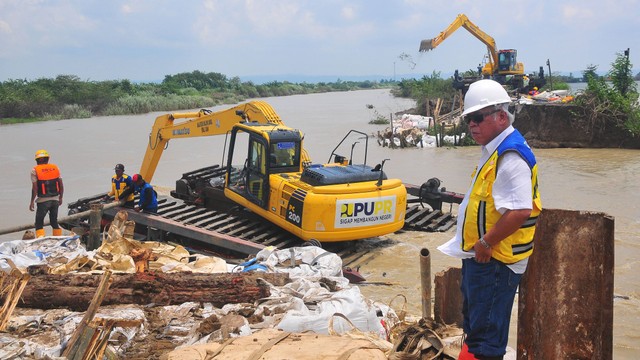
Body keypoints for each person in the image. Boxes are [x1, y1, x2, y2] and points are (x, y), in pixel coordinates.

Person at [437, 79, 542, 360]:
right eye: (468, 119)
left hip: (495, 259)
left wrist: (485, 242)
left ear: (500, 116)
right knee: (475, 327)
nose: (471, 124)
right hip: (481, 257)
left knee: (487, 340)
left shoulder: (510, 156)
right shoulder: (494, 150)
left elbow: (520, 211)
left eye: (477, 118)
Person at [29, 149, 64, 238]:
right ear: (47, 159)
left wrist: (32, 201)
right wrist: (60, 197)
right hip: (55, 199)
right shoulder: (55, 168)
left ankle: (41, 240)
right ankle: (58, 239)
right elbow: (61, 184)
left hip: (43, 201)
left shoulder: (34, 170)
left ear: (37, 160)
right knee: (54, 221)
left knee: (39, 223)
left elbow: (35, 188)